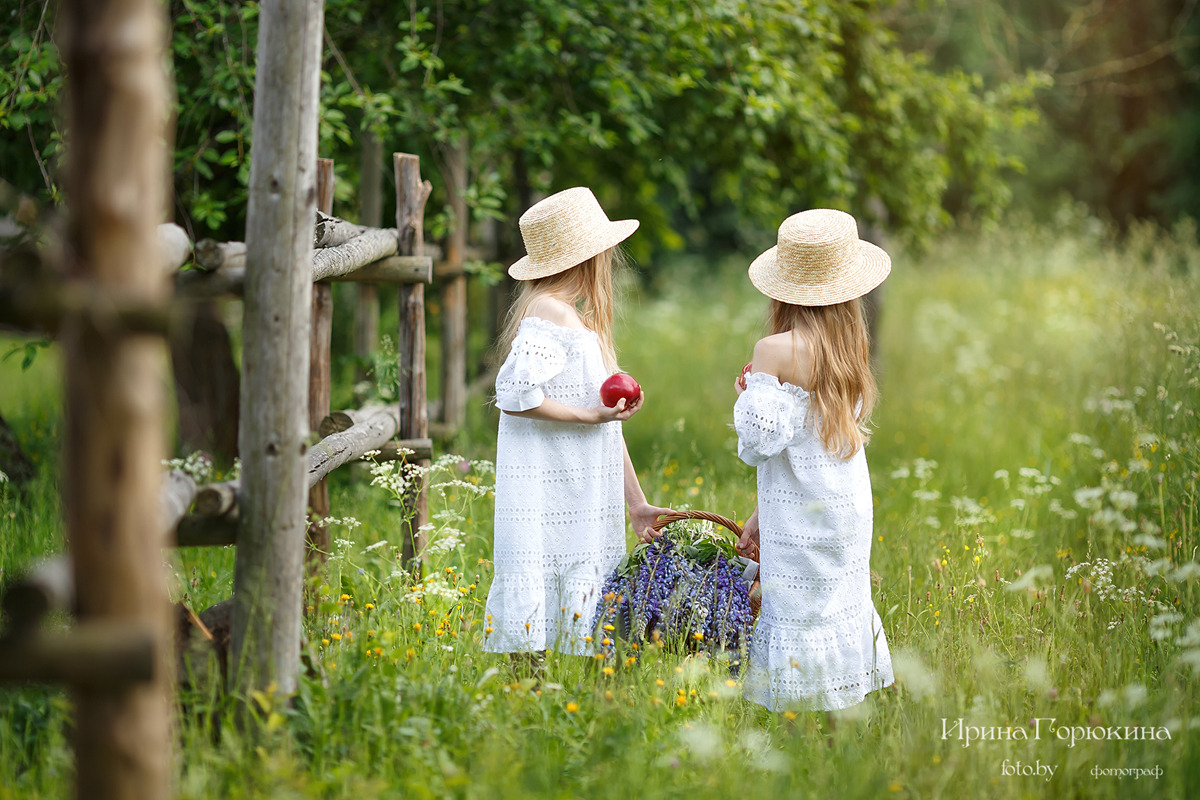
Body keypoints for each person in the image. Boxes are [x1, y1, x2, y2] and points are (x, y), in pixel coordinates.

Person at [483, 187, 670, 657]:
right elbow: (515, 395)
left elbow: (606, 426)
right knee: (537, 620)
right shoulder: (549, 310)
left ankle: (566, 708)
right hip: (551, 492)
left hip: (581, 492)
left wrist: (637, 504)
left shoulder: (575, 321)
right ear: (588, 257)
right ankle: (527, 707)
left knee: (582, 615)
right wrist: (590, 414)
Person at [733, 208, 895, 711]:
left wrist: (746, 395)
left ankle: (799, 739)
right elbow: (811, 443)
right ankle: (840, 734)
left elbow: (760, 443)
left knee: (799, 616)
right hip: (842, 510)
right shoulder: (849, 347)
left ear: (783, 286)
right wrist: (761, 514)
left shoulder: (774, 349)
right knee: (835, 607)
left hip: (802, 519)